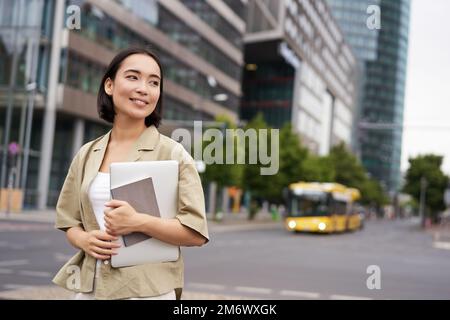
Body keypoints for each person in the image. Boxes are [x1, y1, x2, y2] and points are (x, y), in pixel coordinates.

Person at [52, 47, 209, 300]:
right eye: (133, 77)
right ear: (110, 85)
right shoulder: (87, 153)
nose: (144, 88)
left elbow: (196, 232)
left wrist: (138, 222)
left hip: (146, 292)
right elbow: (69, 221)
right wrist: (84, 239)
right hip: (92, 288)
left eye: (154, 82)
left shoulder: (173, 154)